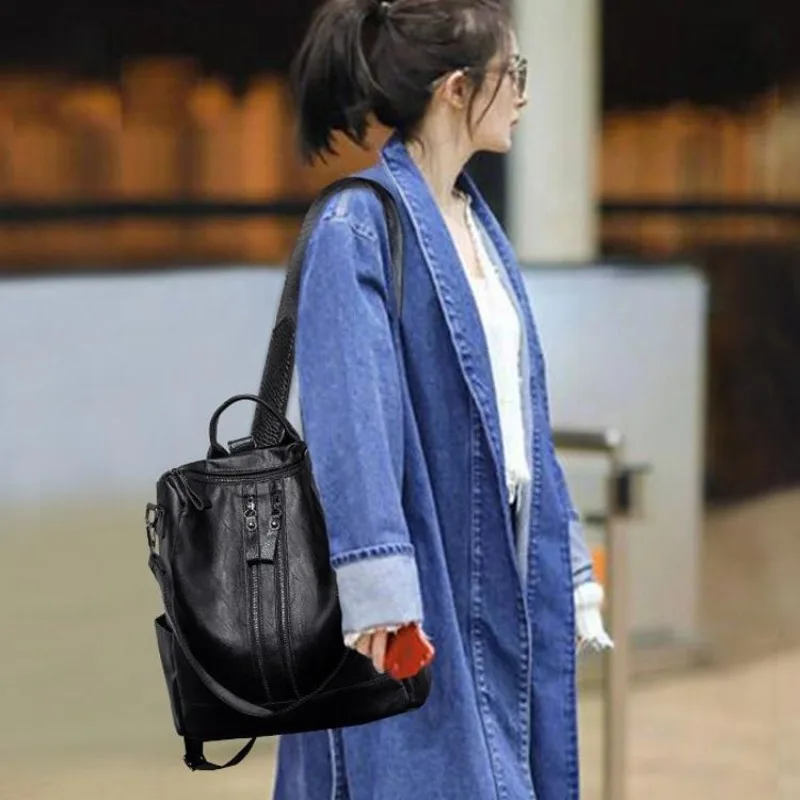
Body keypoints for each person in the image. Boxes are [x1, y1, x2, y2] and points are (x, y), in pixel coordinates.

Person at [273, 1, 612, 798]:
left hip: (497, 573)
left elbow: (523, 418)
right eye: (512, 73)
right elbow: (350, 421)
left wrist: (567, 562)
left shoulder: (475, 224)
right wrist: (379, 588)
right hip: (417, 599)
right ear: (457, 89)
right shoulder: (355, 225)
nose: (524, 93)